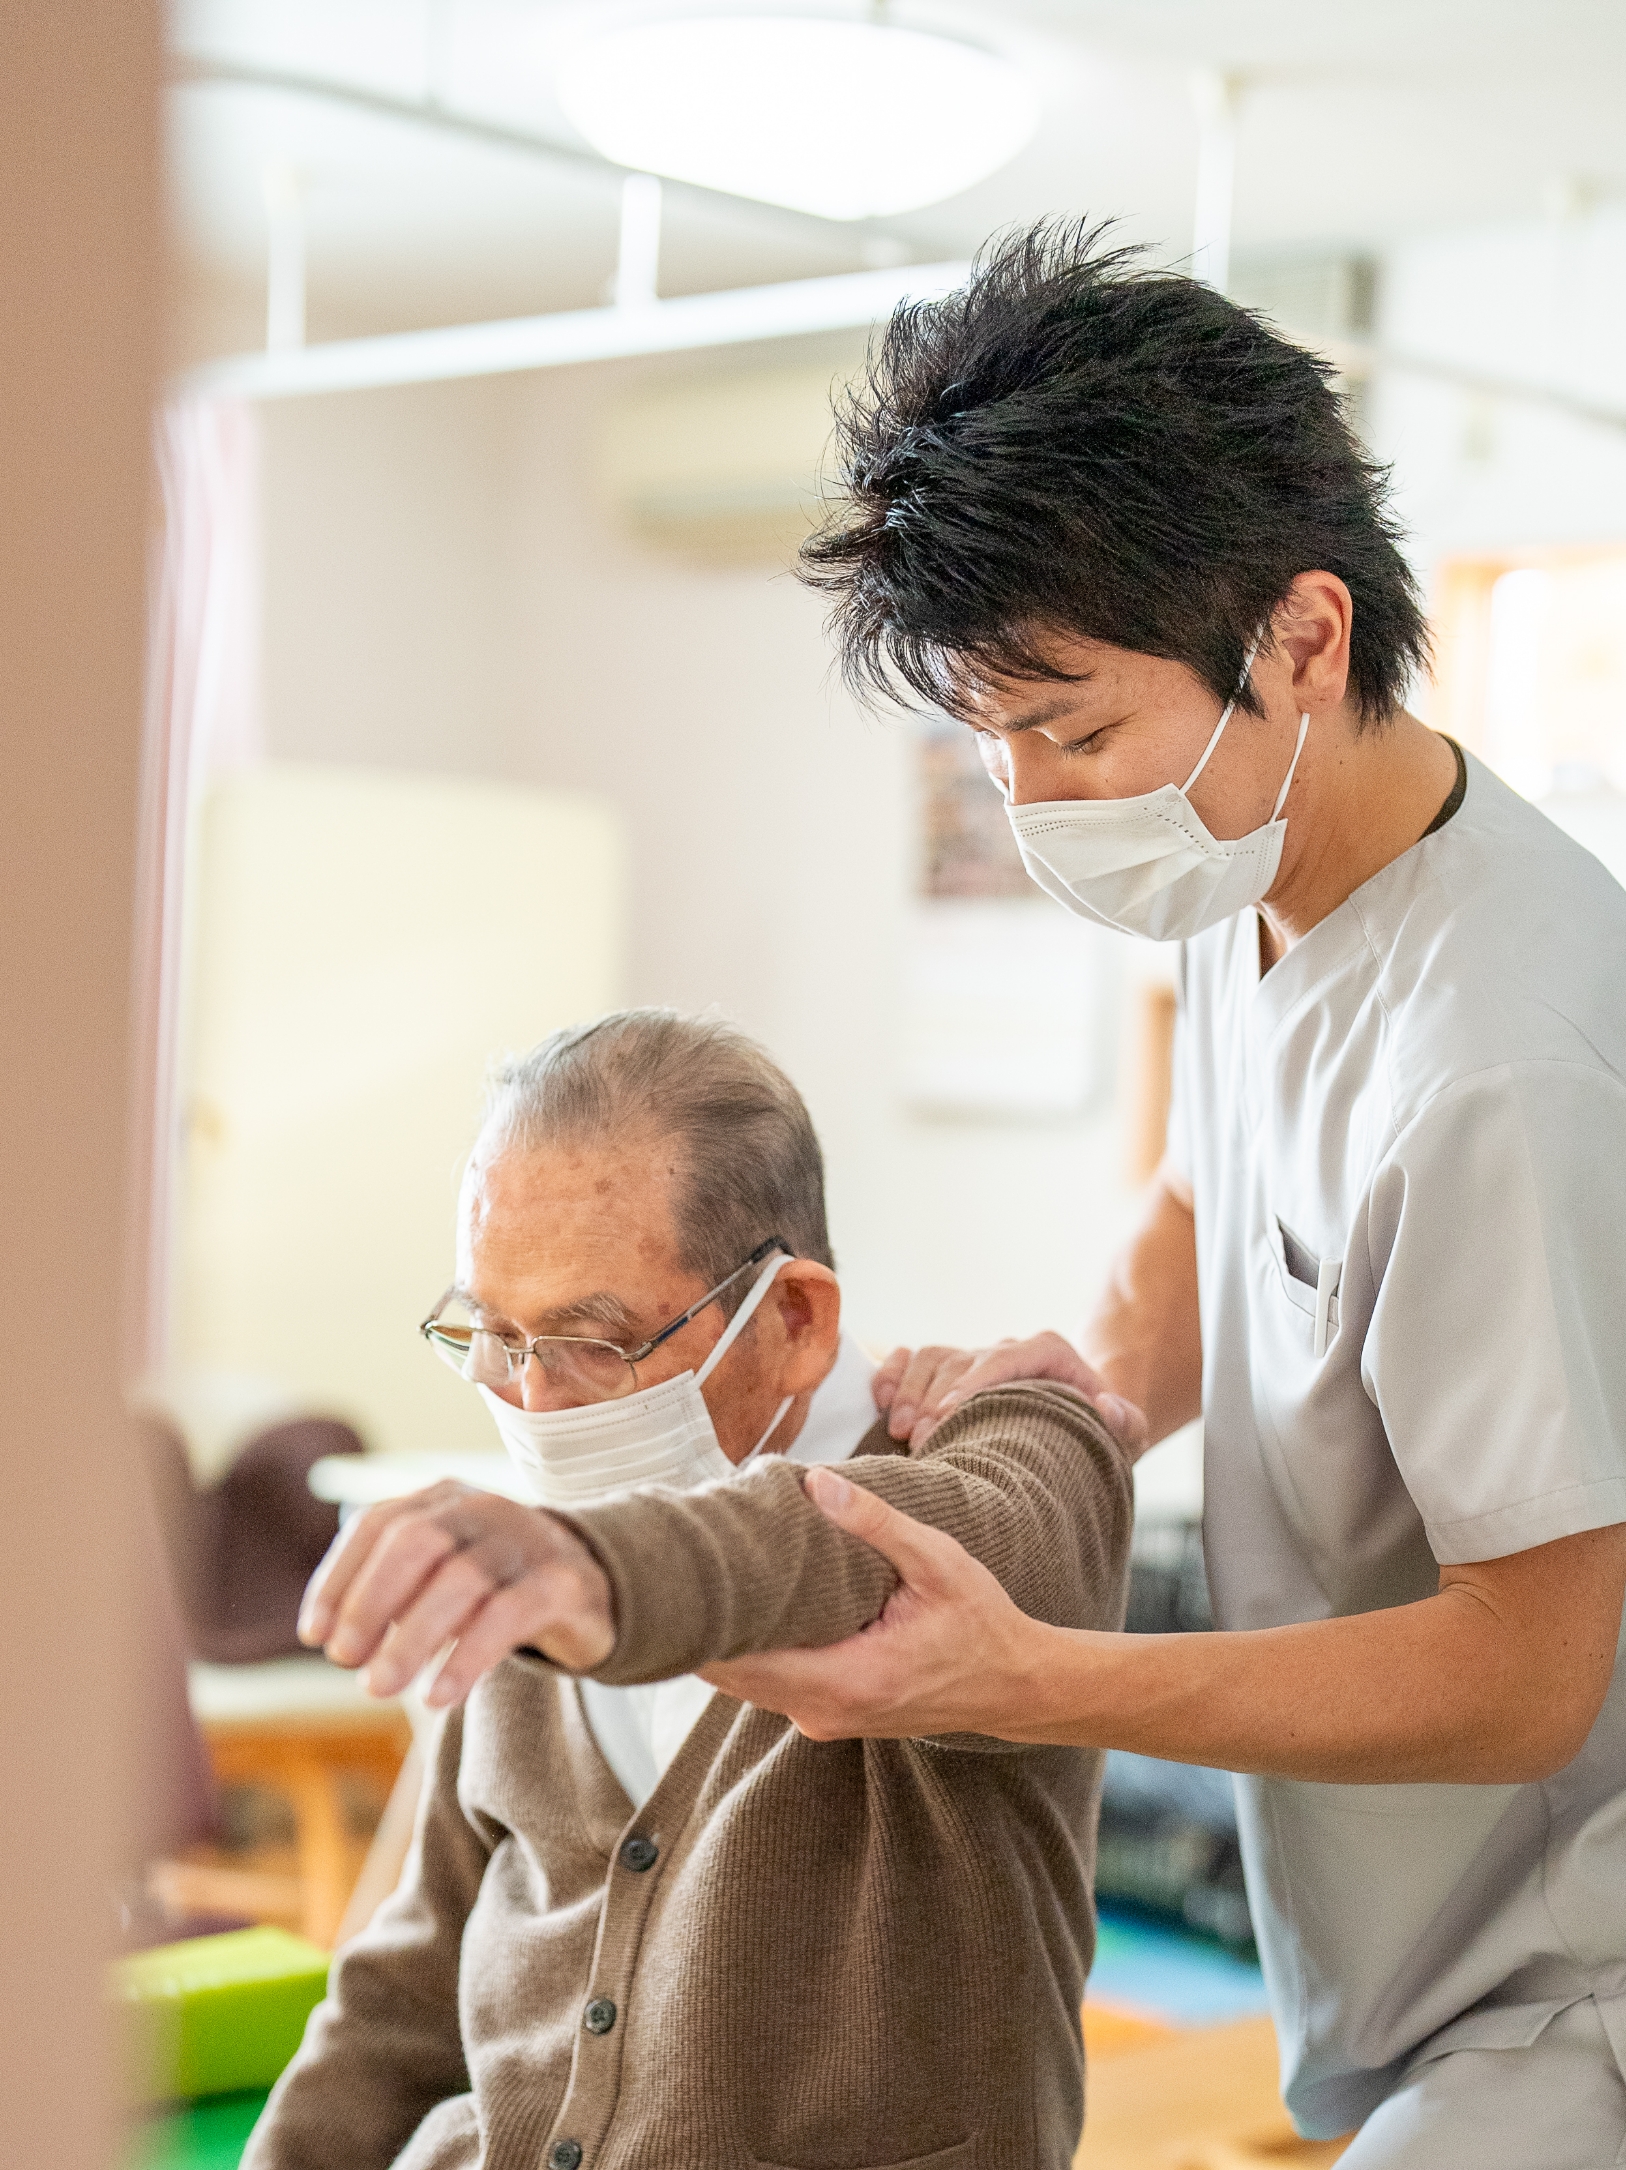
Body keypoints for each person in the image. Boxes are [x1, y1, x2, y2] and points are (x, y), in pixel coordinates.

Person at [705, 226, 1626, 2166]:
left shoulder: (1506, 1056)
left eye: (1076, 730)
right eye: (993, 743)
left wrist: (1034, 1672)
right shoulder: (1256, 864)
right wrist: (1087, 1390)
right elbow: (1208, 1213)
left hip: (1572, 1985)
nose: (1037, 806)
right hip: (1393, 1952)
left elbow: (1533, 1668)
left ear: (1303, 636)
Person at [247, 1009, 1132, 2170]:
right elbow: (403, 2001)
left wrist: (588, 1563)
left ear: (796, 1318)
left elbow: (842, 1548)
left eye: (588, 1341)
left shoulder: (1018, 1446)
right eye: (495, 1335)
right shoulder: (532, 1563)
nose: (531, 1400)